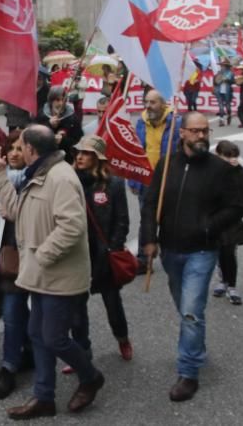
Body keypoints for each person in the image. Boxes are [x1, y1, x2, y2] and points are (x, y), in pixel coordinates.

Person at [0, 125, 105, 419]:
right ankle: (44, 397)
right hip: (40, 275)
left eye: (21, 146)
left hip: (58, 277)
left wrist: (42, 256)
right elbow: (16, 211)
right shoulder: (38, 173)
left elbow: (72, 226)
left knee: (53, 337)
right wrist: (0, 176)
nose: (18, 151)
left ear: (31, 149)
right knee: (37, 334)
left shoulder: (60, 177)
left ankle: (90, 377)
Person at [140, 112, 243, 402]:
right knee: (185, 308)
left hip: (202, 250)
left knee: (190, 310)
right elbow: (150, 204)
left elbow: (235, 207)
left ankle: (188, 372)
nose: (201, 136)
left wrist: (208, 226)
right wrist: (149, 239)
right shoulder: (167, 164)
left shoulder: (218, 169)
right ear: (182, 133)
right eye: (195, 131)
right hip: (171, 250)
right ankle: (196, 346)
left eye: (205, 131)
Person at [70, 135, 133, 365]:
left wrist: (113, 247)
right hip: (76, 255)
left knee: (112, 303)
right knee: (76, 311)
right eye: (78, 152)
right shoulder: (70, 181)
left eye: (86, 153)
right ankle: (80, 353)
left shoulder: (113, 184)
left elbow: (122, 220)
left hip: (103, 256)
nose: (80, 156)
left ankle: (122, 338)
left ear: (97, 158)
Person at [0, 130, 33, 401]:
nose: (15, 153)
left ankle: (8, 368)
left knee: (13, 312)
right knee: (13, 312)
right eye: (12, 148)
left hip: (21, 260)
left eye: (21, 148)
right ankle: (26, 352)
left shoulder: (35, 182)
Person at [130, 89, 181, 271]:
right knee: (146, 219)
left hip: (168, 179)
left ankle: (172, 255)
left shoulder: (176, 122)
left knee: (171, 219)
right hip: (146, 179)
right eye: (146, 102)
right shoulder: (141, 123)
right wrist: (134, 180)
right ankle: (144, 259)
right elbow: (135, 152)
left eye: (153, 102)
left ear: (163, 104)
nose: (148, 106)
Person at [210, 140, 243, 306]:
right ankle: (222, 280)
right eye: (226, 157)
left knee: (230, 251)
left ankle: (232, 285)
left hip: (234, 217)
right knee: (219, 251)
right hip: (215, 217)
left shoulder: (237, 171)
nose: (229, 160)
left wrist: (238, 168)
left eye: (233, 157)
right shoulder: (210, 170)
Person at [34, 86, 83, 163]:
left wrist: (63, 140)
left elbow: (78, 140)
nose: (61, 103)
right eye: (57, 100)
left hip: (66, 160)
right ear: (51, 101)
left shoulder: (72, 118)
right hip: (44, 158)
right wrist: (49, 125)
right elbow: (34, 136)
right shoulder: (42, 115)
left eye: (63, 100)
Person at [213, 60, 235, 127]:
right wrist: (217, 80)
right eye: (221, 65)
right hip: (219, 91)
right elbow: (215, 82)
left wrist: (227, 80)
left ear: (226, 66)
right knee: (220, 106)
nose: (221, 66)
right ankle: (221, 120)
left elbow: (233, 82)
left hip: (227, 91)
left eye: (223, 65)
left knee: (228, 106)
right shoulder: (218, 73)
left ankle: (229, 115)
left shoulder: (230, 73)